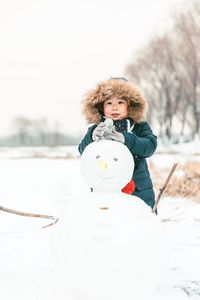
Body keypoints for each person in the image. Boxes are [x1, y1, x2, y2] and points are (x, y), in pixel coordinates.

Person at [78, 77, 157, 209]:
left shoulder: (139, 126)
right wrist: (91, 138)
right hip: (104, 185)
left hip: (138, 187)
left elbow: (150, 146)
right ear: (101, 107)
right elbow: (82, 150)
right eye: (109, 103)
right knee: (108, 219)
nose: (114, 107)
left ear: (130, 106)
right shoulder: (97, 128)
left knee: (138, 219)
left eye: (120, 102)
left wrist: (127, 139)